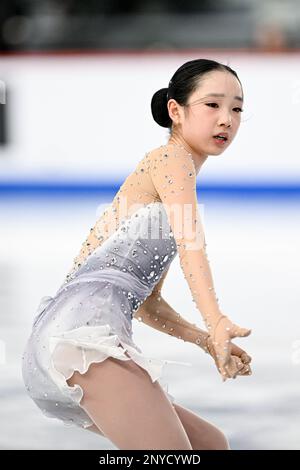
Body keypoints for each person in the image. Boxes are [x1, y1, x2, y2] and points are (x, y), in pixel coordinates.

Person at [22, 58, 252, 450]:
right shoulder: (170, 160)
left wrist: (203, 339)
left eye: (237, 108)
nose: (226, 119)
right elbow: (192, 243)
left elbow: (148, 304)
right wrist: (216, 320)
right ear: (175, 111)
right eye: (212, 105)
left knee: (210, 445)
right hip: (80, 337)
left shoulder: (172, 174)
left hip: (74, 336)